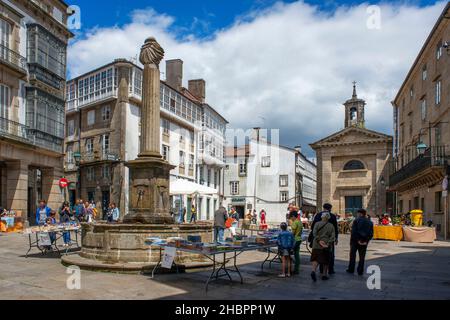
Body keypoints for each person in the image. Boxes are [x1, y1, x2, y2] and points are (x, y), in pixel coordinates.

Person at [310, 203, 339, 274]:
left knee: (319, 253)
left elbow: (313, 227)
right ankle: (330, 270)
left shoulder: (318, 215)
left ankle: (321, 270)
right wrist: (336, 238)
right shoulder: (332, 216)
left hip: (318, 239)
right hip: (328, 239)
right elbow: (335, 229)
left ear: (323, 208)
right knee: (329, 254)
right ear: (330, 208)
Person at [347, 209, 374, 276]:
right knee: (362, 257)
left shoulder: (356, 220)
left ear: (360, 214)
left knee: (352, 255)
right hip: (364, 242)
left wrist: (358, 240)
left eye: (357, 213)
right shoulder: (370, 222)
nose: (357, 215)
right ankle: (360, 271)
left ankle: (351, 269)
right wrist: (366, 241)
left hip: (355, 241)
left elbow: (353, 232)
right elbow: (371, 233)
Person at [289, 211, 303, 275]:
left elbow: (292, 233)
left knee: (288, 254)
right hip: (299, 239)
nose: (291, 218)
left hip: (295, 240)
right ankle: (296, 269)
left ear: (293, 216)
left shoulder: (295, 223)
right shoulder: (300, 222)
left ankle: (289, 269)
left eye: (291, 217)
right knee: (297, 255)